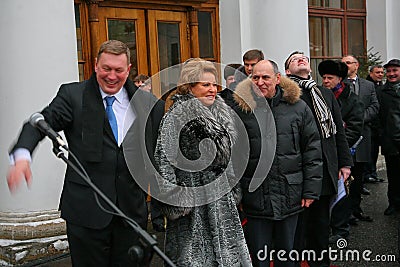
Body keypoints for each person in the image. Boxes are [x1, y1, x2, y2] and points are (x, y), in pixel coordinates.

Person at [6, 40, 165, 266]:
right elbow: (39, 123)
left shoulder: (150, 104)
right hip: (86, 213)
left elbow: (159, 152)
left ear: (128, 70)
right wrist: (22, 156)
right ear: (95, 66)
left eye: (118, 70)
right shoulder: (73, 95)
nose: (112, 76)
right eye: (106, 68)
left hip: (131, 214)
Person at [154, 59, 252, 266]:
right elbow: (164, 160)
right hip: (193, 204)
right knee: (194, 258)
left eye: (214, 85)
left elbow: (228, 158)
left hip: (222, 199)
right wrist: (178, 201)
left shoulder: (220, 112)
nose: (212, 90)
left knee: (228, 258)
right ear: (190, 87)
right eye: (205, 85)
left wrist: (233, 190)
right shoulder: (176, 116)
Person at [230, 60, 322, 267]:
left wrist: (311, 190)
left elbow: (312, 150)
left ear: (278, 79)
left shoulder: (298, 107)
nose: (260, 82)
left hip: (291, 195)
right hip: (255, 197)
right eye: (255, 77)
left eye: (265, 77)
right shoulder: (240, 110)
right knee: (259, 258)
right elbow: (234, 157)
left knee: (288, 257)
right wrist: (237, 194)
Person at [285, 51, 352, 267]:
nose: (301, 59)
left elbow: (338, 133)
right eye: (295, 59)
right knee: (300, 225)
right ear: (287, 71)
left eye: (303, 57)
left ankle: (320, 263)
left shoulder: (324, 93)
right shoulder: (286, 94)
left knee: (321, 225)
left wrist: (344, 163)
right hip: (299, 169)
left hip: (324, 167)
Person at [317, 59, 364, 243]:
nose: (326, 81)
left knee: (342, 193)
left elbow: (354, 128)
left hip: (342, 153)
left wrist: (338, 146)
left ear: (339, 79)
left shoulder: (352, 99)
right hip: (324, 154)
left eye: (330, 78)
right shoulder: (320, 97)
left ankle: (341, 229)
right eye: (324, 78)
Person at [342, 55, 379, 223]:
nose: (345, 65)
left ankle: (356, 209)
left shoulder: (368, 85)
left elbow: (374, 106)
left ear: (356, 66)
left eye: (348, 62)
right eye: (343, 63)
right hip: (345, 136)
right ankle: (344, 214)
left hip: (363, 136)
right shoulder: (338, 85)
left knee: (359, 176)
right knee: (344, 178)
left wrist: (358, 119)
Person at [377, 59, 400, 216]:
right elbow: (378, 118)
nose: (391, 74)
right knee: (393, 176)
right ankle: (394, 204)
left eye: (395, 71)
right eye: (389, 71)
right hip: (391, 142)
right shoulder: (381, 93)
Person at [365, 64, 385, 183]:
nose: (380, 75)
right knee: (369, 152)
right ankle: (367, 174)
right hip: (370, 125)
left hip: (378, 126)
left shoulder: (381, 86)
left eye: (382, 73)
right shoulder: (367, 86)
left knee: (375, 152)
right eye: (377, 72)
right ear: (371, 73)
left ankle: (373, 173)